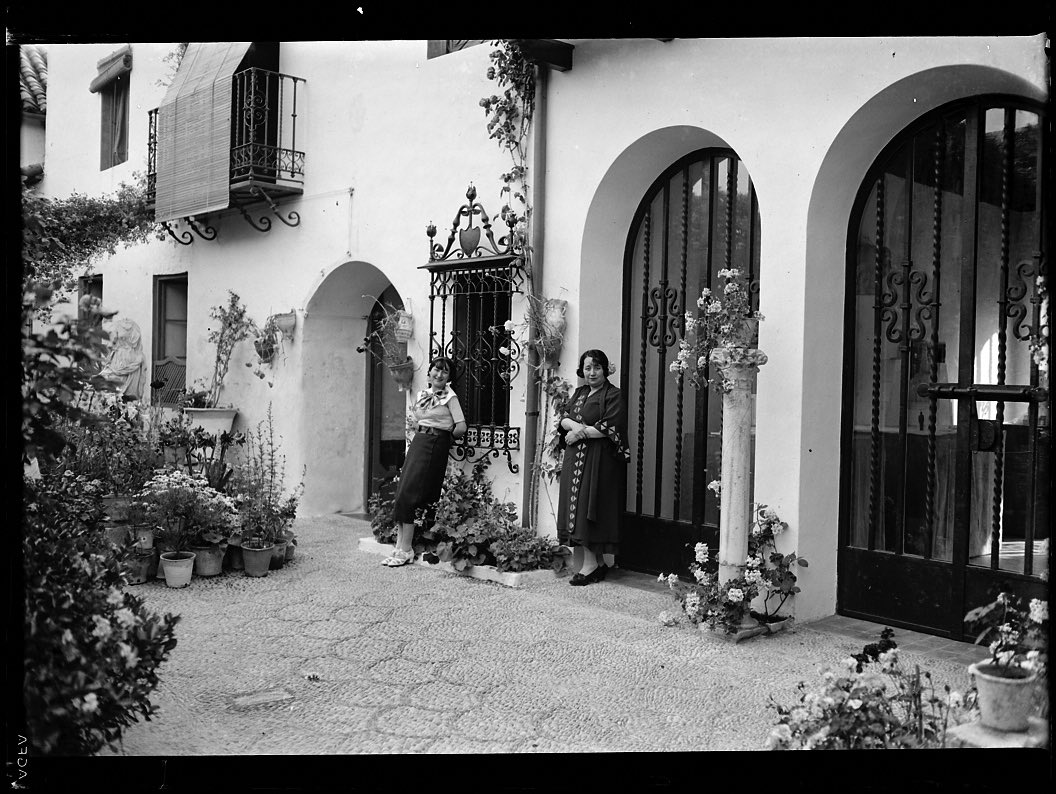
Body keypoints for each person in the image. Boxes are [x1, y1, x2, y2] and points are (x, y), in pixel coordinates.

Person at [383, 356, 467, 567]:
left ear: (449, 378)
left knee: (411, 494)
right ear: (429, 372)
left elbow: (461, 426)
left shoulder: (450, 397)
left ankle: (406, 548)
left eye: (444, 372)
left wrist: (445, 440)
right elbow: (419, 418)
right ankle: (400, 546)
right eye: (436, 370)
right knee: (402, 492)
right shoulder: (423, 394)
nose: (439, 374)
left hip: (434, 443)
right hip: (419, 441)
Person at [557, 348, 629, 586]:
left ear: (605, 369)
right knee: (576, 507)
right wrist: (574, 427)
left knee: (591, 506)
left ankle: (590, 565)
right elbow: (564, 418)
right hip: (576, 459)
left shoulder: (613, 395)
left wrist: (578, 434)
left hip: (599, 460)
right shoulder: (579, 393)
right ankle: (595, 564)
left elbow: (610, 426)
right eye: (588, 368)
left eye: (597, 367)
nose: (592, 372)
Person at [100, 317, 147, 401]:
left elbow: (111, 342)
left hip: (123, 358)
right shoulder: (133, 328)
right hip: (127, 357)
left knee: (116, 391)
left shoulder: (128, 353)